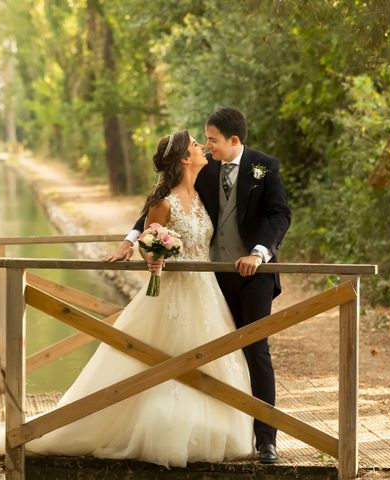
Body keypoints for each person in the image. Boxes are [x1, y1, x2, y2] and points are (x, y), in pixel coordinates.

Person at [0, 130, 255, 467]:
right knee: (159, 360)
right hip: (172, 297)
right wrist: (153, 254)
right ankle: (152, 428)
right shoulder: (164, 203)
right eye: (195, 145)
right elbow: (150, 241)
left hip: (206, 293)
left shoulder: (204, 194)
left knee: (209, 358)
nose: (203, 147)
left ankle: (214, 429)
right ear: (183, 158)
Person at [105, 108, 292, 464]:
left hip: (255, 276)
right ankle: (203, 430)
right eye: (202, 141)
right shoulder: (203, 169)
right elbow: (161, 202)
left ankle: (266, 439)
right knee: (214, 353)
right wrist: (132, 239)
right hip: (214, 281)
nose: (206, 147)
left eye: (212, 140)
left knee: (255, 350)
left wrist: (259, 253)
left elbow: (280, 214)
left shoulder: (264, 166)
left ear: (233, 140)